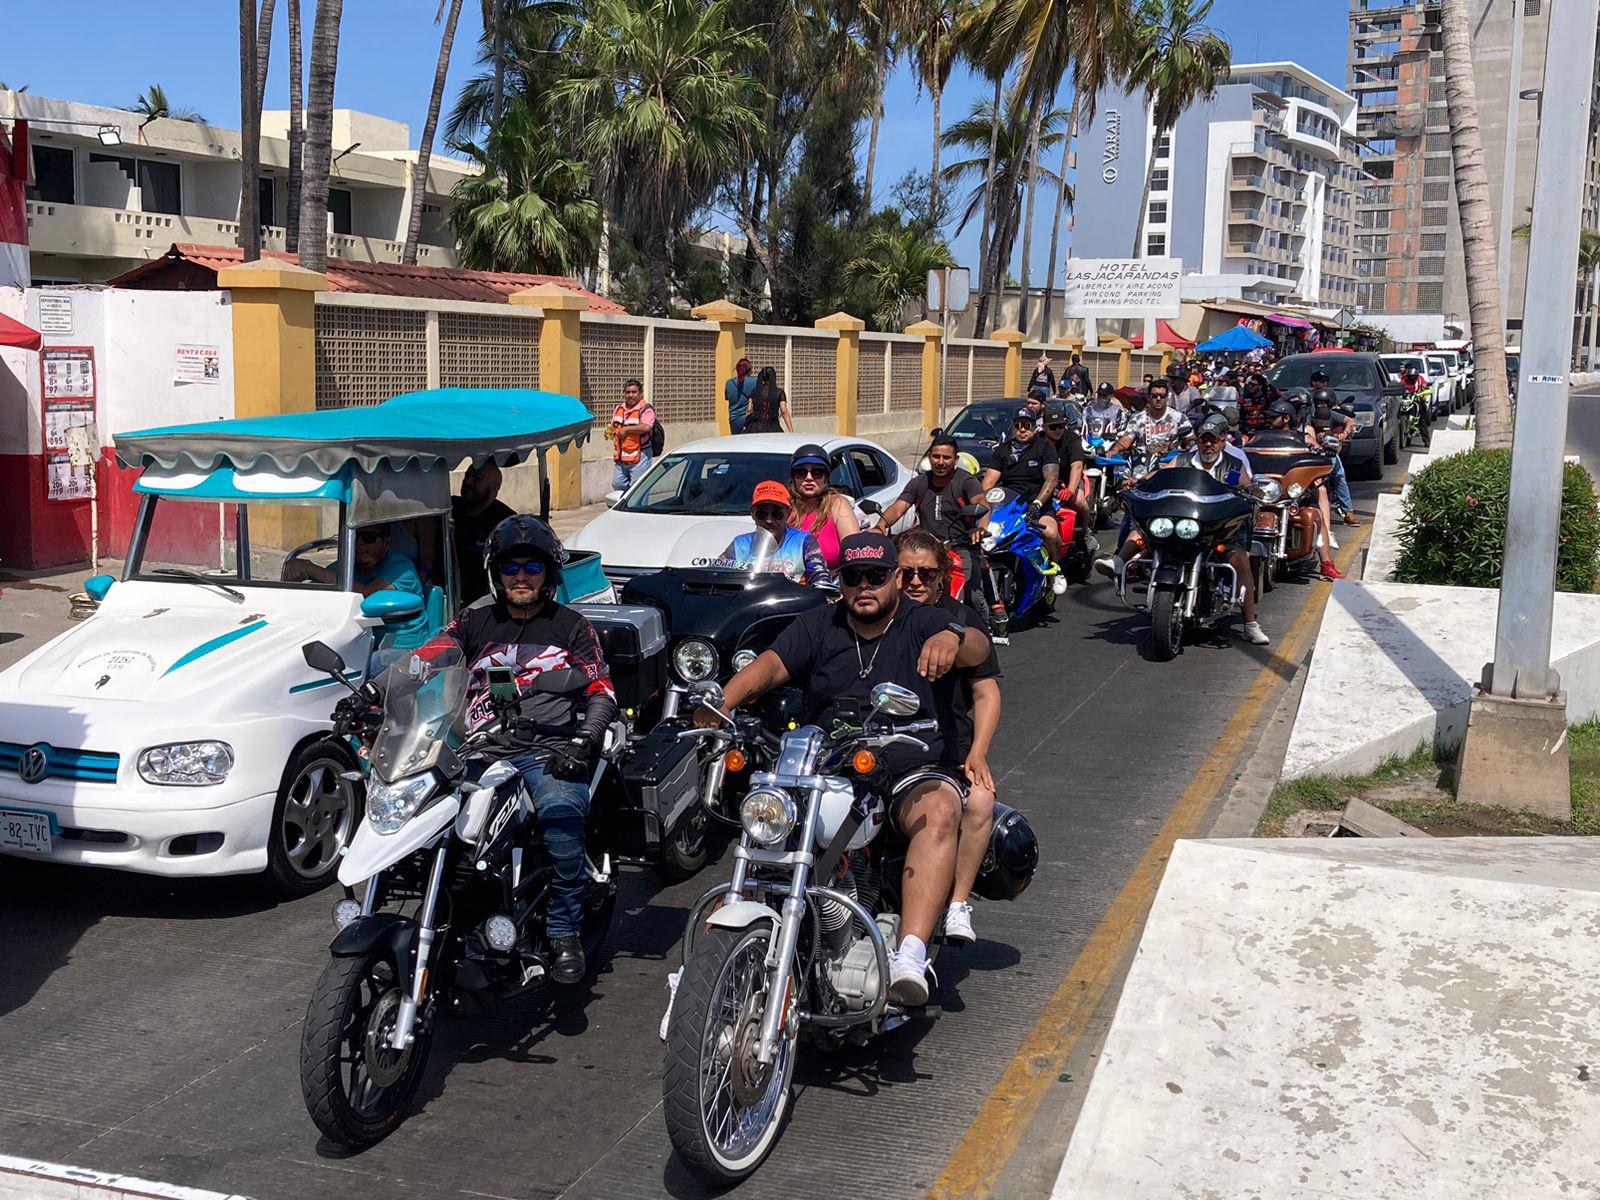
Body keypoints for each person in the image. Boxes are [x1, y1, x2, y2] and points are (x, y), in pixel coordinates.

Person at [696, 531, 992, 1003]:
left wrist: (952, 636)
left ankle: (910, 955)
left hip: (908, 761)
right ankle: (706, 974)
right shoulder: (821, 623)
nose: (865, 587)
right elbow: (771, 666)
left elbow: (976, 647)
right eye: (854, 577)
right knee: (765, 822)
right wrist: (722, 705)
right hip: (828, 763)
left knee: (940, 810)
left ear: (895, 577)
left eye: (876, 576)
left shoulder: (925, 620)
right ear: (842, 581)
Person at [438, 515, 618, 983]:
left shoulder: (572, 627)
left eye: (532, 568)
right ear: (495, 573)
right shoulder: (475, 621)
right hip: (480, 748)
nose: (521, 576)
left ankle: (563, 932)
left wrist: (584, 740)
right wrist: (374, 693)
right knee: (429, 823)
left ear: (549, 574)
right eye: (511, 567)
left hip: (549, 750)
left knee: (560, 817)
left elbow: (602, 691)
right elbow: (427, 656)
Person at [894, 530, 999, 945]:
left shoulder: (962, 620)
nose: (916, 581)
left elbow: (986, 691)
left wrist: (978, 753)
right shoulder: (876, 614)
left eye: (926, 573)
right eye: (906, 573)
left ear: (942, 577)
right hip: (880, 746)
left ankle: (957, 903)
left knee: (981, 801)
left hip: (945, 749)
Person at [873, 433, 988, 592]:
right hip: (927, 548)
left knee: (971, 594)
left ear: (956, 460)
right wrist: (881, 525)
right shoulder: (919, 482)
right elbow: (899, 507)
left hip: (960, 547)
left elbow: (981, 502)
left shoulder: (966, 481)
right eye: (936, 457)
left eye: (946, 458)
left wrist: (980, 529)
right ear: (929, 457)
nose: (941, 462)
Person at [1246, 401, 1345, 581]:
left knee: (1316, 514)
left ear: (1285, 418)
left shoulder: (1303, 439)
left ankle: (1327, 564)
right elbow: (1242, 452)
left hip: (1292, 490)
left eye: (1273, 417)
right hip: (1266, 490)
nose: (1268, 420)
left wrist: (1321, 452)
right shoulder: (1257, 439)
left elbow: (1317, 453)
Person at [286, 522, 429, 643]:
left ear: (386, 542)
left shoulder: (402, 569)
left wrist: (311, 569)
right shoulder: (349, 564)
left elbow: (367, 595)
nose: (360, 542)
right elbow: (322, 584)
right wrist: (297, 578)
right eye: (355, 537)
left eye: (369, 537)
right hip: (360, 641)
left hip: (399, 648)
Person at [714, 480, 835, 590]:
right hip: (747, 606)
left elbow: (819, 574)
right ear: (752, 514)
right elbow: (719, 574)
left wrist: (822, 587)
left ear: (788, 514)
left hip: (791, 607)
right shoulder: (739, 544)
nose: (769, 520)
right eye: (762, 514)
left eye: (777, 514)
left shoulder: (804, 541)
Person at [981, 407, 1064, 562]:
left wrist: (1037, 504)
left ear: (1034, 427)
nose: (1023, 430)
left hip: (1038, 504)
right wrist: (984, 505)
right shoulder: (1002, 450)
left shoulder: (1045, 447)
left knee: (1051, 533)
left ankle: (1055, 569)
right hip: (1009, 506)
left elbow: (1051, 480)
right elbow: (988, 482)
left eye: (1027, 425)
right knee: (988, 535)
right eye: (1018, 425)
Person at [788, 443, 860, 576]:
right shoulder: (784, 508)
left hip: (830, 585)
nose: (809, 478)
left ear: (826, 477)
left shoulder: (837, 505)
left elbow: (853, 552)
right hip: (788, 587)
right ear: (793, 477)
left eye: (817, 472)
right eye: (801, 472)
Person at [452, 461, 515, 604]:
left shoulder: (506, 523)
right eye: (467, 476)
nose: (468, 482)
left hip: (486, 602)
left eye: (477, 478)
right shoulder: (448, 511)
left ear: (494, 488)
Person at [1042, 401, 1092, 554]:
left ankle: (1085, 531)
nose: (1058, 430)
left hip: (1068, 482)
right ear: (1044, 427)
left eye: (1061, 426)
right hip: (1045, 483)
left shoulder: (1072, 439)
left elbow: (1076, 467)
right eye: (1053, 427)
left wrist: (1070, 490)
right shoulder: (1038, 441)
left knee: (1079, 501)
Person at [1306, 385, 1360, 525]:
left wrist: (1344, 433)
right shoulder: (1308, 416)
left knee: (1339, 475)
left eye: (1323, 404)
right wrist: (1314, 439)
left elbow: (1350, 421)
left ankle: (1348, 512)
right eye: (1318, 404)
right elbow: (1305, 433)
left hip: (1329, 450)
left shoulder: (1332, 414)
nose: (1320, 407)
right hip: (1311, 452)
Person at [610, 378, 655, 491]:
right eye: (628, 392)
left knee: (638, 489)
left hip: (641, 456)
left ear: (640, 394)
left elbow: (646, 427)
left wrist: (627, 429)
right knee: (618, 484)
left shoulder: (646, 409)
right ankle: (624, 506)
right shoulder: (618, 408)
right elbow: (614, 425)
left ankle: (637, 508)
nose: (631, 395)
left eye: (634, 392)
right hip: (621, 457)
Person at [742, 365, 791, 434]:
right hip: (773, 426)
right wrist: (790, 429)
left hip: (754, 426)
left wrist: (745, 425)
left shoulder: (755, 391)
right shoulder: (779, 392)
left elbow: (749, 410)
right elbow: (784, 410)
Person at [1400, 362, 1433, 447]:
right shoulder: (1404, 379)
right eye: (1410, 376)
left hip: (1417, 399)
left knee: (1422, 419)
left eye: (1413, 376)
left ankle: (1426, 440)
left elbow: (1425, 386)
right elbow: (1401, 387)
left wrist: (1424, 391)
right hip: (1406, 399)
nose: (1412, 378)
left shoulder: (1420, 379)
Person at [724, 355, 757, 434]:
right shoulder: (754, 382)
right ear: (748, 371)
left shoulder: (729, 383)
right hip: (748, 418)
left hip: (733, 420)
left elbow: (727, 398)